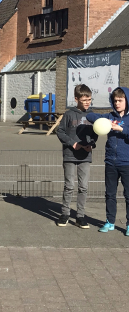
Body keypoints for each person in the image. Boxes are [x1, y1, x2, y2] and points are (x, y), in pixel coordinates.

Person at [86, 87, 129, 235]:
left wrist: (121, 129)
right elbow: (92, 117)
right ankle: (110, 222)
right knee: (110, 194)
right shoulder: (110, 116)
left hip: (127, 163)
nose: (117, 103)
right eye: (115, 100)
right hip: (110, 162)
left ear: (127, 101)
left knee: (128, 195)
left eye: (120, 100)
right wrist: (104, 120)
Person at [56, 84, 97, 229]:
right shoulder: (68, 114)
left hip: (85, 156)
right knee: (68, 186)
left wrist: (91, 144)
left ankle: (80, 216)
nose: (87, 102)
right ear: (76, 99)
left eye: (89, 99)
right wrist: (72, 143)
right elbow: (60, 131)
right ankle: (65, 214)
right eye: (84, 99)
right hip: (70, 156)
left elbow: (95, 134)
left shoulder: (92, 115)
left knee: (83, 187)